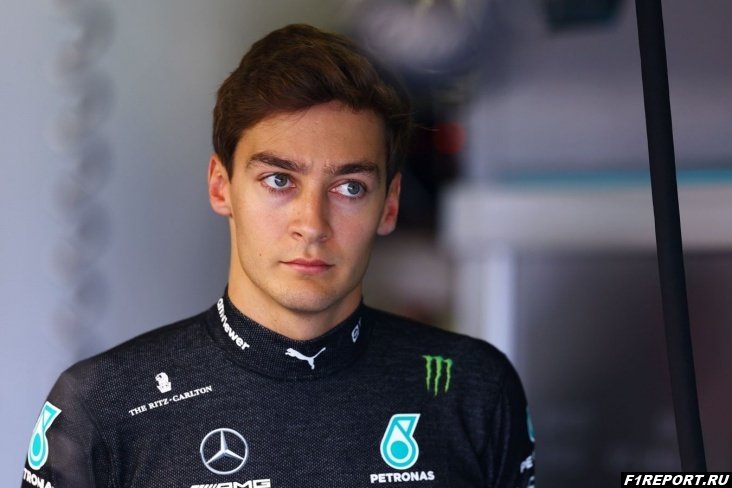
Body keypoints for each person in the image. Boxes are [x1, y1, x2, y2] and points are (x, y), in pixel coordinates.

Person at [21, 24, 535, 488]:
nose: (312, 224)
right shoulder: (102, 406)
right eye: (279, 180)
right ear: (221, 187)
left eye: (350, 188)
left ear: (390, 204)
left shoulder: (472, 388)